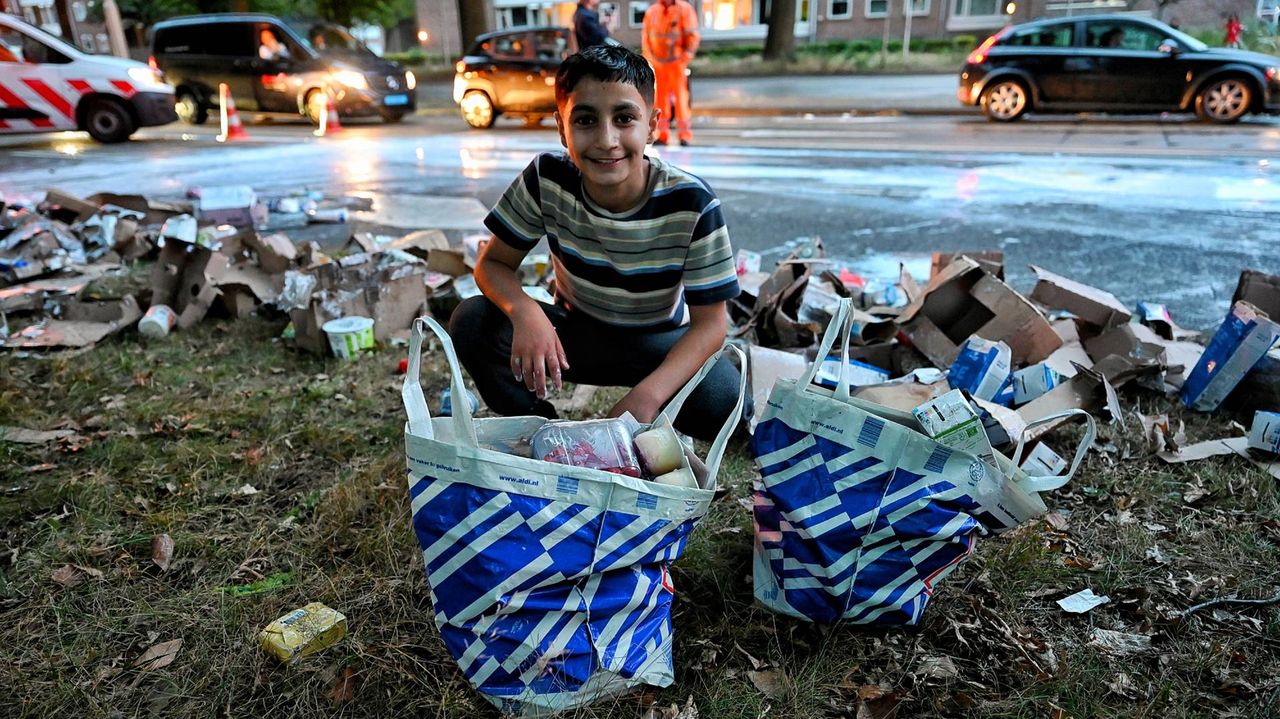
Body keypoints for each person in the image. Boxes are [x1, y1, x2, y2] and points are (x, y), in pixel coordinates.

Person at [448, 44, 741, 441]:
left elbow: (711, 326)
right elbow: (492, 264)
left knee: (724, 399)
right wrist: (525, 312)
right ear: (561, 127)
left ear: (652, 125)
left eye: (624, 118)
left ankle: (658, 405)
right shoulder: (546, 179)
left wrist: (648, 397)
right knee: (473, 322)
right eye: (585, 120)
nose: (606, 140)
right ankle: (540, 426)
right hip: (574, 338)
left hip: (656, 343)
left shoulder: (693, 202)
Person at [643, 0, 699, 146]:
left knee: (681, 99)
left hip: (676, 63)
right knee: (660, 101)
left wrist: (685, 58)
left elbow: (692, 36)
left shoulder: (684, 9)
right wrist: (649, 59)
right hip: (658, 64)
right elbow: (646, 37)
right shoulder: (652, 11)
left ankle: (684, 135)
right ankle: (662, 135)